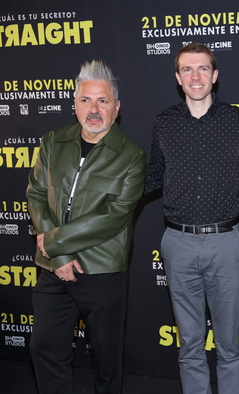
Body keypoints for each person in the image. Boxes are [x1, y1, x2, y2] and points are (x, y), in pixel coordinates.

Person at [27, 60, 146, 394]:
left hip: (102, 270)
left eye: (103, 101)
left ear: (117, 107)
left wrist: (53, 243)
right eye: (85, 100)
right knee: (44, 347)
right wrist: (58, 255)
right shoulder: (53, 141)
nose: (94, 109)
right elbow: (36, 194)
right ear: (75, 104)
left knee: (106, 361)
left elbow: (114, 215)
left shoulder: (132, 155)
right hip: (54, 267)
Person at [145, 43, 239, 394]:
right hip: (179, 244)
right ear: (177, 78)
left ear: (215, 75)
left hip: (225, 243)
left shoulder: (237, 119)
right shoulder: (165, 122)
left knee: (229, 345)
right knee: (190, 346)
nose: (195, 76)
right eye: (187, 69)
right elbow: (152, 176)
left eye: (202, 68)